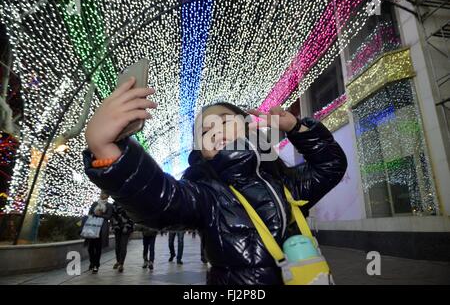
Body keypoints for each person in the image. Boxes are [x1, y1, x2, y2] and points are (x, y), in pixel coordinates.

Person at [83, 78, 347, 284]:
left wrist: (296, 128)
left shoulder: (283, 183)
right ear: (200, 148)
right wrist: (107, 149)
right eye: (205, 130)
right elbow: (161, 199)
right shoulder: (205, 195)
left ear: (248, 127)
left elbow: (331, 166)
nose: (216, 131)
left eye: (224, 122)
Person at [86, 191, 113, 274]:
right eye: (101, 193)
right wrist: (94, 213)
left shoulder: (109, 206)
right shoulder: (95, 204)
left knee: (98, 248)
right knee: (90, 248)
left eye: (104, 193)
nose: (102, 195)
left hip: (101, 229)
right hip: (92, 227)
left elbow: (109, 216)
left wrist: (100, 214)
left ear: (107, 196)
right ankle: (92, 262)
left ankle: (96, 266)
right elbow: (89, 213)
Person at [111, 202, 134, 272]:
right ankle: (118, 261)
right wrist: (114, 227)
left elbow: (132, 216)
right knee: (117, 246)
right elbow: (112, 216)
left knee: (123, 246)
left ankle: (121, 264)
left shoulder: (129, 203)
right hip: (117, 228)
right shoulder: (114, 204)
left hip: (126, 228)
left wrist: (127, 226)